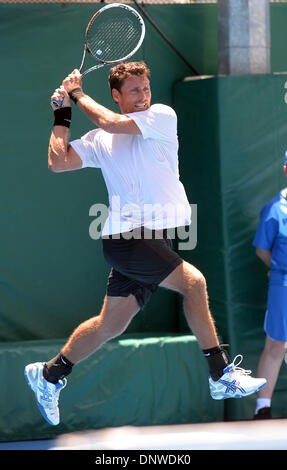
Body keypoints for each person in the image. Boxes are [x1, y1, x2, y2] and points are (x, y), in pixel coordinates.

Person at [24, 61, 266, 426]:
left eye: (146, 88)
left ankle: (49, 374)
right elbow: (58, 162)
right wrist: (63, 116)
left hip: (152, 240)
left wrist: (77, 94)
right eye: (134, 91)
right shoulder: (100, 140)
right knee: (194, 283)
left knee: (111, 324)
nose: (143, 96)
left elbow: (110, 121)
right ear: (117, 96)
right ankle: (220, 373)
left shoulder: (161, 116)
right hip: (127, 240)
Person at [252, 155, 287, 420]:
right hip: (283, 284)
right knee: (276, 345)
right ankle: (262, 410)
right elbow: (263, 250)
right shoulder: (275, 208)